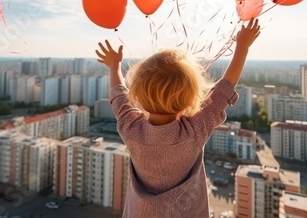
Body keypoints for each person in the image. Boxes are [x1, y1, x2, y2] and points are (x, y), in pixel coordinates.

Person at [95, 18, 260, 218]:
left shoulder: (130, 129)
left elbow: (118, 94)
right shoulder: (195, 130)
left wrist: (114, 65)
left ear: (137, 94)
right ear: (191, 98)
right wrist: (243, 46)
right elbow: (225, 87)